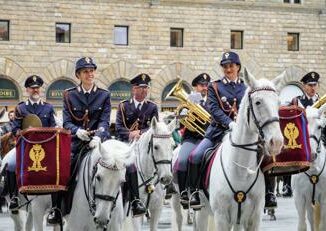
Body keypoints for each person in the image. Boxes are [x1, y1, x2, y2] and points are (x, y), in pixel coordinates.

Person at [188, 51, 246, 209]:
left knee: (266, 154)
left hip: (242, 134)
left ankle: (268, 194)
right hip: (218, 132)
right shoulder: (215, 86)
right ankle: (194, 192)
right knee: (195, 155)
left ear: (238, 67)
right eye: (225, 66)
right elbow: (214, 109)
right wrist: (229, 123)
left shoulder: (245, 87)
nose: (228, 69)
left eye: (231, 66)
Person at [56, 57, 111, 224]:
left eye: (92, 70)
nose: (90, 74)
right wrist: (77, 131)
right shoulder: (69, 95)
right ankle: (58, 209)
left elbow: (105, 121)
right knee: (63, 172)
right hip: (77, 144)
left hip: (98, 143)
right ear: (78, 75)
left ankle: (129, 204)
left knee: (119, 167)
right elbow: (66, 122)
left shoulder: (104, 95)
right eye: (86, 71)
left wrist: (98, 137)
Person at [7, 75, 56, 213]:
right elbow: (15, 128)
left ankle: (57, 202)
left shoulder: (48, 108)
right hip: (25, 146)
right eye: (32, 88)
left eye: (37, 88)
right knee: (10, 164)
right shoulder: (20, 108)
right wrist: (22, 132)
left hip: (45, 148)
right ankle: (14, 196)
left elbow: (53, 127)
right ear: (27, 90)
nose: (35, 90)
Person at [115, 73, 158, 217]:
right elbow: (118, 127)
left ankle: (166, 188)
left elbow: (155, 127)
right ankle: (134, 199)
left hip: (144, 145)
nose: (144, 90)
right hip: (126, 145)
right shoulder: (123, 106)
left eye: (146, 88)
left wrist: (141, 132)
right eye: (141, 88)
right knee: (129, 165)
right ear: (134, 89)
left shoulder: (152, 107)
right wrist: (129, 134)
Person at [173, 73, 210, 209]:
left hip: (208, 139)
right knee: (182, 160)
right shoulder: (188, 101)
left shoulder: (213, 100)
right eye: (201, 85)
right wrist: (183, 115)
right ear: (195, 87)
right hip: (191, 138)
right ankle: (183, 192)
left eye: (206, 85)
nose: (204, 88)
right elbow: (181, 124)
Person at [282, 71, 320, 198]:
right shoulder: (297, 101)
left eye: (315, 85)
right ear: (304, 86)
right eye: (309, 85)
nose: (312, 88)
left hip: (318, 136)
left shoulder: (322, 101)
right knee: (290, 148)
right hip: (301, 137)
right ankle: (287, 184)